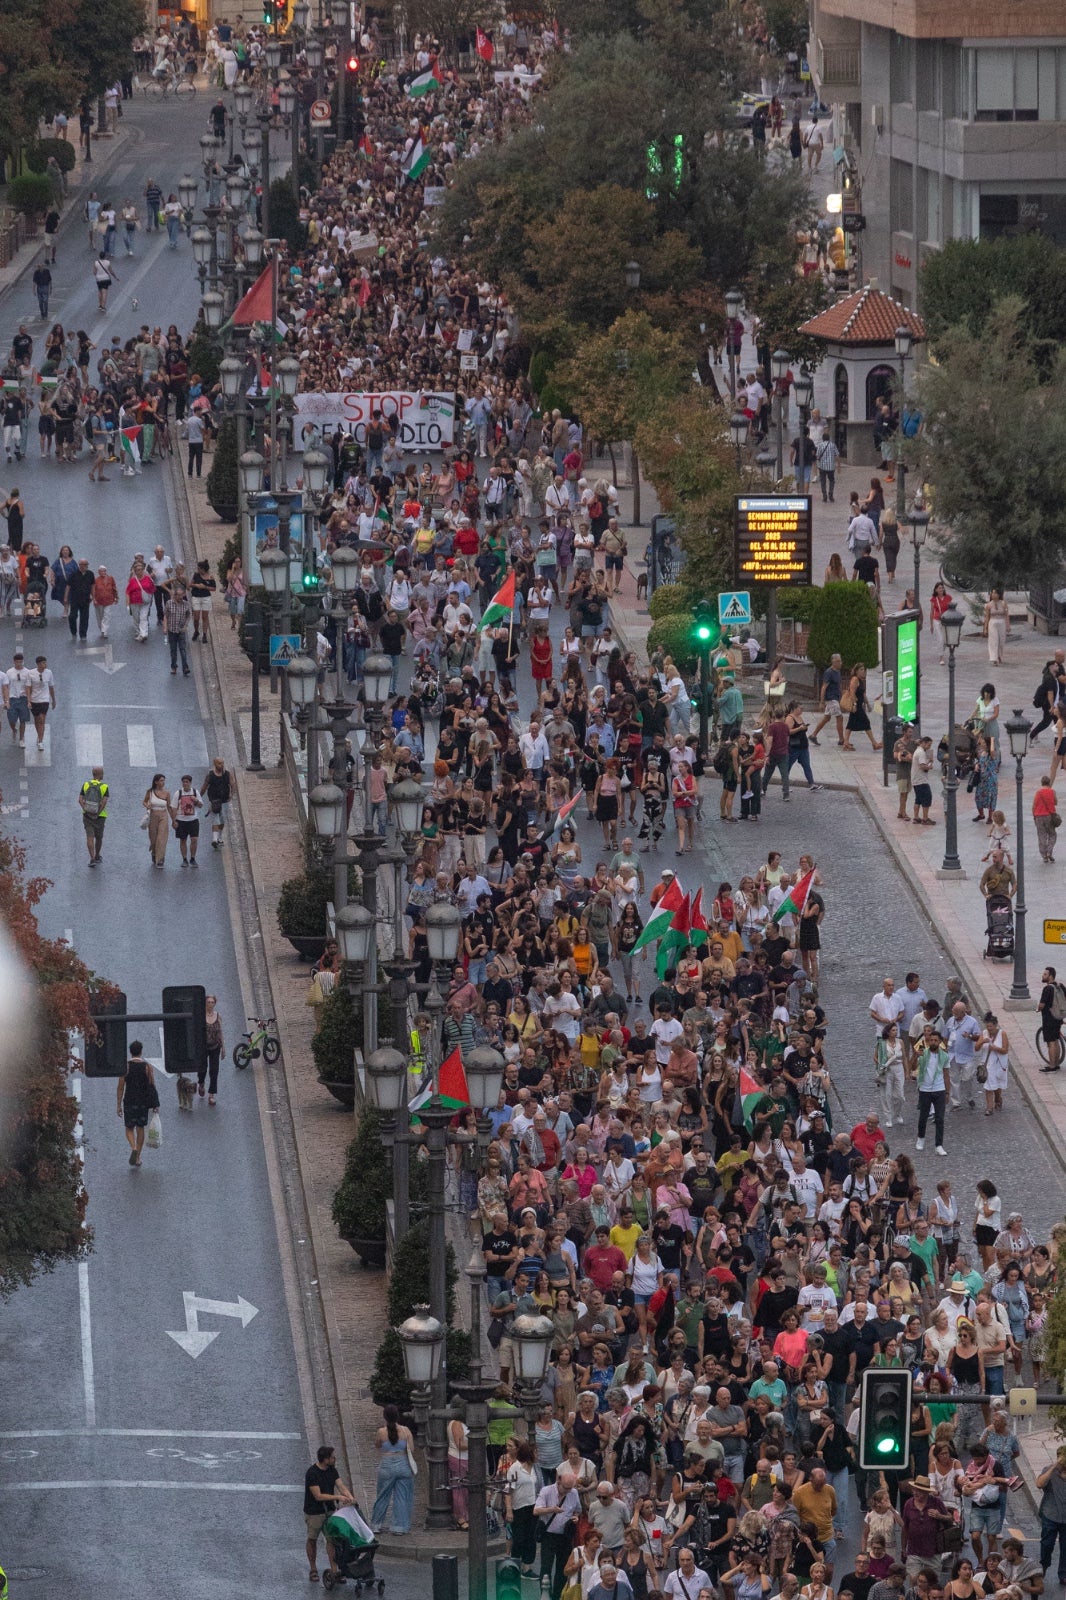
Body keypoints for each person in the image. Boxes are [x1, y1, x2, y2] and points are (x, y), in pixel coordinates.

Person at [304, 1443, 355, 1584]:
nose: (335, 1459)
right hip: (314, 1512)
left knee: (332, 1540)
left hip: (330, 1511)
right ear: (325, 1459)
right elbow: (318, 1496)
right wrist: (338, 1497)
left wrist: (350, 1497)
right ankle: (313, 1569)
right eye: (332, 1457)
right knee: (312, 1540)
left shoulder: (333, 1470)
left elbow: (340, 1486)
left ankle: (334, 1571)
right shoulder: (312, 1473)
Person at [370, 1404, 416, 1536]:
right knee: (402, 1497)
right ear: (398, 1416)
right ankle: (399, 1527)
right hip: (403, 1465)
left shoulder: (381, 1432)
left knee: (382, 1496)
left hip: (387, 1466)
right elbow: (411, 1449)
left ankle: (376, 1525)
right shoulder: (406, 1431)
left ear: (385, 1417)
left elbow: (377, 1445)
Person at [115, 1040, 158, 1166]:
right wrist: (155, 1104)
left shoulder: (126, 1067)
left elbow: (120, 1087)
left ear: (130, 1052)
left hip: (129, 1101)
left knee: (129, 1128)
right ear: (141, 1051)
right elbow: (152, 1085)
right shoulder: (147, 1067)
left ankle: (133, 1147)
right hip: (143, 1102)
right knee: (140, 1128)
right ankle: (138, 1156)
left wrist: (118, 1105)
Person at [1036, 1447, 1066, 1587]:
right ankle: (1043, 1567)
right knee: (1047, 1544)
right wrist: (1055, 1466)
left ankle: (1063, 1574)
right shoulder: (1049, 1470)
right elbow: (1039, 1484)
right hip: (1051, 1515)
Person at [79, 764, 109, 866]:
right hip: (100, 817)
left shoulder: (86, 784)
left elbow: (80, 800)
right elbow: (104, 803)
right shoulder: (104, 787)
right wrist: (98, 813)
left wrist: (86, 810)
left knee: (89, 837)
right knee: (99, 837)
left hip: (87, 816)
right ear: (100, 775)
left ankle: (91, 858)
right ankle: (97, 855)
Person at [202, 756, 234, 849]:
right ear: (215, 764)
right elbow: (204, 786)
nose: (221, 765)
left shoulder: (227, 774)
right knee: (215, 819)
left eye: (222, 763)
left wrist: (231, 795)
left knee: (222, 820)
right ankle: (214, 839)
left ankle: (219, 837)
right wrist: (199, 796)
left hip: (224, 800)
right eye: (219, 763)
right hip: (214, 801)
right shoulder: (210, 775)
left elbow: (232, 784)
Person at [172, 773, 203, 867]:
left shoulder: (195, 792)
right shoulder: (178, 793)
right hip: (181, 820)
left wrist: (196, 800)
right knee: (183, 840)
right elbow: (174, 807)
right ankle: (184, 859)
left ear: (190, 783)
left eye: (187, 782)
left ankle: (193, 858)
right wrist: (174, 821)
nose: (185, 784)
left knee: (194, 839)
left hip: (193, 820)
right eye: (183, 782)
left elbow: (201, 805)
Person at [143, 772, 172, 869]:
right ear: (156, 782)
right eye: (161, 781)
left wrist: (174, 820)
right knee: (154, 839)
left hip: (163, 816)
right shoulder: (150, 792)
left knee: (161, 838)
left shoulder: (167, 793)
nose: (163, 782)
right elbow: (144, 801)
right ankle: (154, 853)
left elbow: (169, 807)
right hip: (153, 815)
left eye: (164, 780)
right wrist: (147, 806)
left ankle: (160, 859)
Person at [200, 994, 224, 1104]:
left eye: (212, 1002)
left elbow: (220, 1032)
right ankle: (201, 1083)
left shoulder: (218, 1016)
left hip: (215, 1046)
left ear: (215, 1003)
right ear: (205, 1003)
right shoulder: (200, 1015)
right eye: (208, 1002)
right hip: (203, 1047)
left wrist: (223, 1047)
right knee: (202, 1069)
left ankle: (211, 1094)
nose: (210, 1004)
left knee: (214, 1071)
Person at [28, 653, 55, 752]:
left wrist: (53, 700)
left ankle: (40, 741)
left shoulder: (49, 673)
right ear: (38, 664)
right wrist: (29, 700)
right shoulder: (31, 673)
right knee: (36, 719)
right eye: (43, 663)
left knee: (42, 719)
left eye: (45, 662)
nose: (45, 664)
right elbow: (28, 687)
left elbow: (51, 687)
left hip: (45, 700)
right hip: (35, 700)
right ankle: (39, 735)